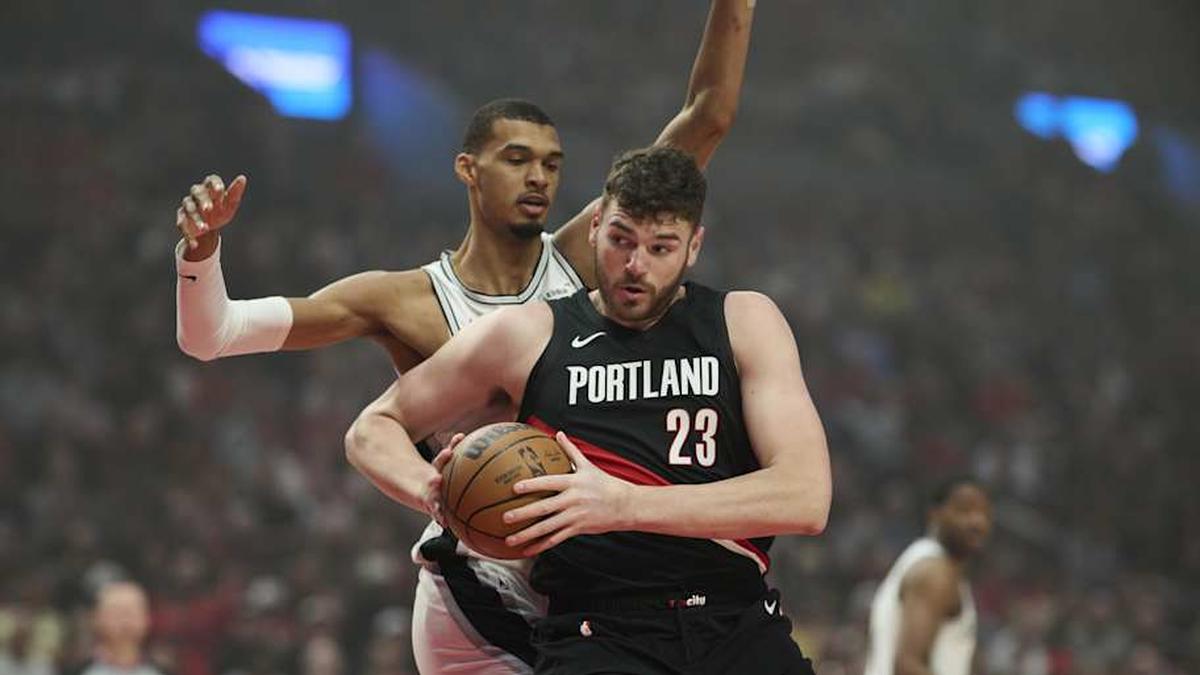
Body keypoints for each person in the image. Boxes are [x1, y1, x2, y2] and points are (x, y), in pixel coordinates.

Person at [173, 3, 757, 672]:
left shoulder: (594, 249)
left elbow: (709, 115)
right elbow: (212, 335)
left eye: (552, 163)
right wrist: (201, 252)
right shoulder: (400, 299)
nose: (539, 176)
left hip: (589, 582)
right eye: (517, 159)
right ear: (466, 169)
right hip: (478, 586)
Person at [346, 146, 832, 674]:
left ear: (694, 247)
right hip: (597, 632)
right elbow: (373, 427)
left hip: (737, 622)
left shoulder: (742, 320)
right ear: (595, 224)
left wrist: (622, 504)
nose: (634, 265)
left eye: (660, 247)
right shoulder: (529, 333)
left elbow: (805, 498)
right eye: (621, 239)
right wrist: (430, 490)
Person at [863, 478, 993, 675]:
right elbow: (907, 666)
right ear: (936, 514)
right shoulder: (935, 572)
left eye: (984, 513)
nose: (977, 521)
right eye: (965, 510)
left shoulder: (926, 562)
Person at [70, 582, 165, 675]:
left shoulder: (161, 671)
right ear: (96, 618)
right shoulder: (76, 671)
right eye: (116, 612)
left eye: (132, 612)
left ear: (146, 619)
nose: (126, 620)